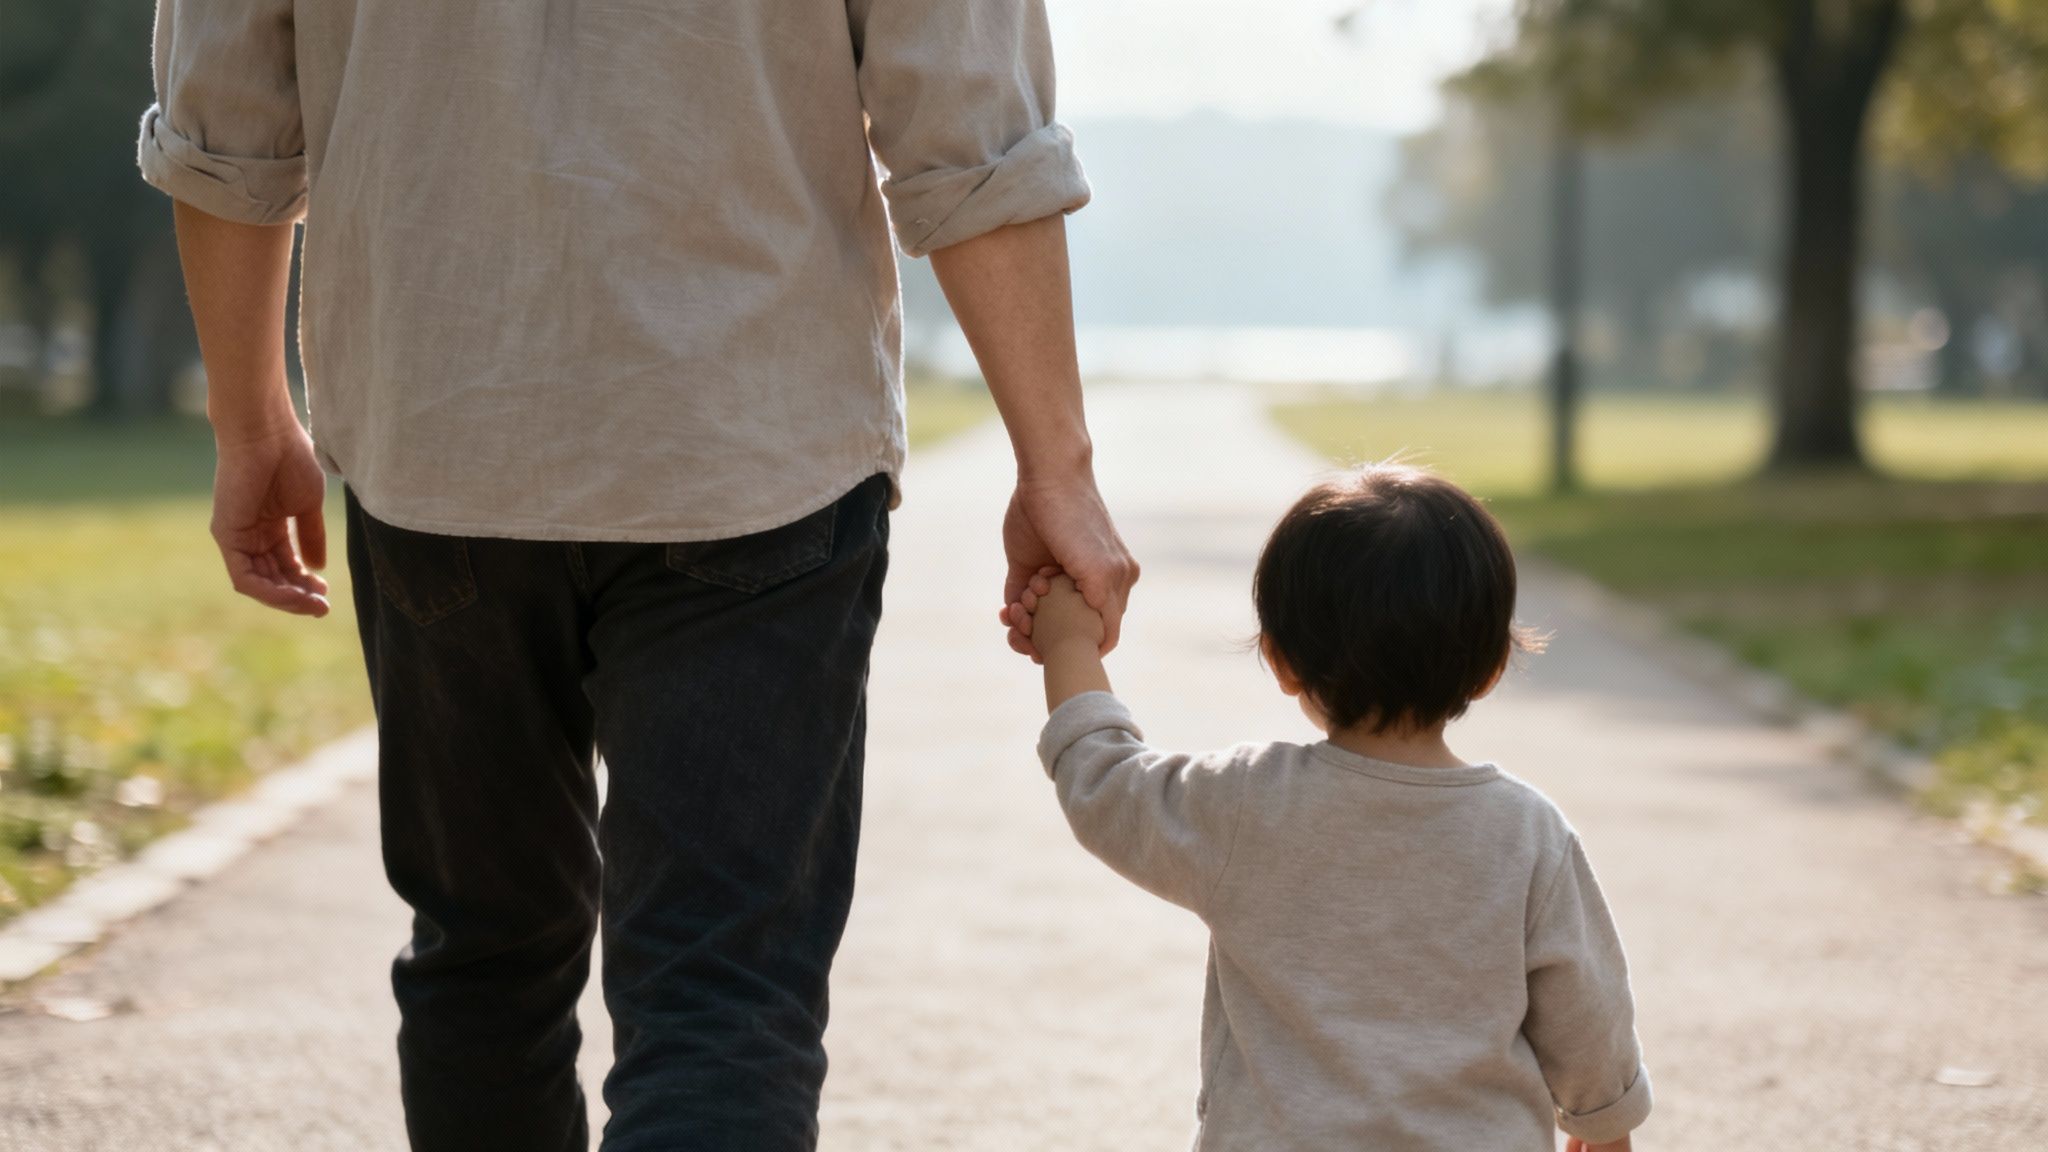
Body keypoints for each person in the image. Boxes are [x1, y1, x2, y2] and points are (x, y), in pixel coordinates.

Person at [137, 3, 1136, 1150]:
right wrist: (1053, 462)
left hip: (441, 435)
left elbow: (226, 106)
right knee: (722, 993)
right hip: (751, 445)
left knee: (484, 959)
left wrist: (249, 416)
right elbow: (970, 123)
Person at [1010, 463, 1652, 1151]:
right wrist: (1604, 1128)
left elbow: (1105, 786)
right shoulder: (1529, 833)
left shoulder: (1246, 803)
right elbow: (1588, 1010)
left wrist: (1069, 645)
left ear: (1283, 662)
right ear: (1494, 665)